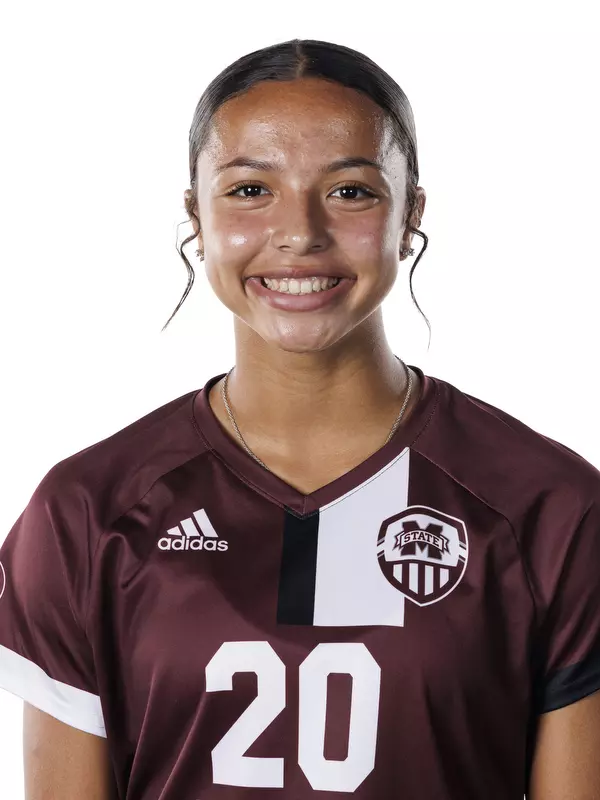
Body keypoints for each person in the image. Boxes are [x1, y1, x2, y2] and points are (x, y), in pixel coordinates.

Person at [0, 37, 599, 800]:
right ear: (196, 211)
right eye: (250, 190)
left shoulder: (548, 507)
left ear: (411, 211)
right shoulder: (87, 510)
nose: (300, 232)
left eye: (351, 191)